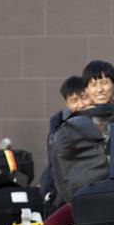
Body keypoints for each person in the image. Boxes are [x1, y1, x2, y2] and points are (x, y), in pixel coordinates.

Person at [24, 62, 114, 225]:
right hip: (85, 198)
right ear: (87, 89)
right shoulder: (75, 123)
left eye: (104, 81)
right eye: (93, 83)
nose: (99, 88)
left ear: (113, 83)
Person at [40, 76, 92, 214]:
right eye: (74, 100)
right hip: (66, 194)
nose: (81, 104)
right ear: (67, 104)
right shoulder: (58, 124)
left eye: (84, 97)